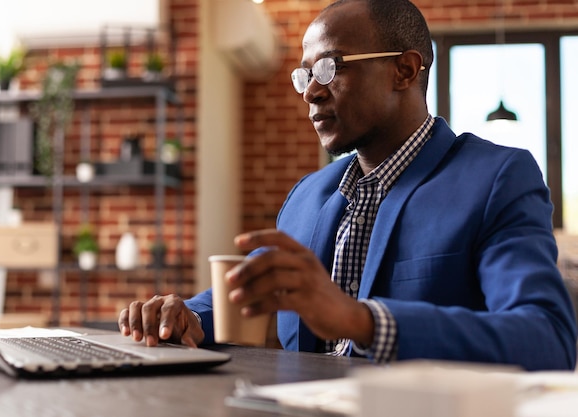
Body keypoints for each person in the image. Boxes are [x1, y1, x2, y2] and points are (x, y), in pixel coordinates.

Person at [119, 0, 577, 371]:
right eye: (305, 75)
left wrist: (362, 320)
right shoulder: (308, 194)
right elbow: (249, 286)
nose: (310, 92)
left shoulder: (496, 178)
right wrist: (186, 317)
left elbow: (548, 338)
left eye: (330, 68)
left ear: (404, 71)